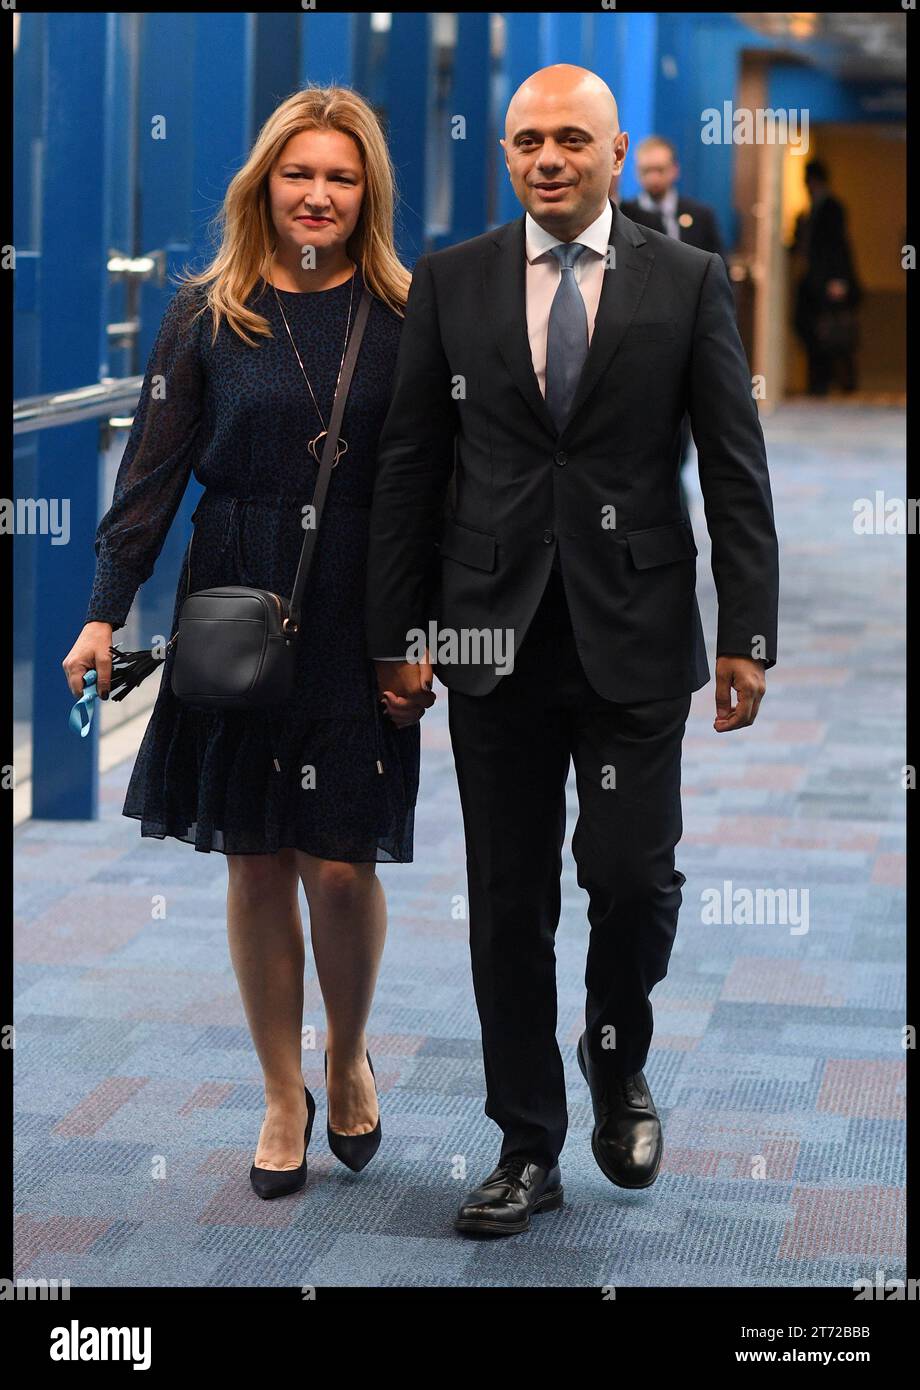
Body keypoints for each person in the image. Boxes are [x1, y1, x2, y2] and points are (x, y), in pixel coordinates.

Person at [366, 65, 779, 1237]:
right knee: (506, 900)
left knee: (631, 877)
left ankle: (616, 1060)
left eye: (568, 141)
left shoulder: (686, 280)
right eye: (524, 141)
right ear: (506, 153)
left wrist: (746, 628)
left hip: (637, 632)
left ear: (616, 150)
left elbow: (733, 467)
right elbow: (408, 468)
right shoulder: (451, 283)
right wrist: (398, 634)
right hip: (487, 633)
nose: (545, 159)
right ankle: (525, 1142)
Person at [62, 86, 428, 1199]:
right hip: (234, 601)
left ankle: (345, 1047)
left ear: (367, 193)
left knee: (342, 859)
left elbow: (432, 489)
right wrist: (103, 607)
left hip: (359, 611)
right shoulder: (204, 313)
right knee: (257, 854)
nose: (316, 194)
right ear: (262, 184)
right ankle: (281, 1088)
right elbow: (152, 475)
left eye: (340, 176)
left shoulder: (409, 313)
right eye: (297, 173)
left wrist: (421, 634)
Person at [619, 134, 728, 517]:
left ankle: (677, 480)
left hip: (692, 333)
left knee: (691, 422)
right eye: (646, 170)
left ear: (675, 171)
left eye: (661, 169)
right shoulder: (624, 216)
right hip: (642, 338)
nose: (654, 177)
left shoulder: (701, 215)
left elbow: (719, 275)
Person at [790, 158, 862, 396]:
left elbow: (838, 246)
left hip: (828, 282)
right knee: (812, 332)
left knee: (835, 336)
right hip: (811, 284)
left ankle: (843, 384)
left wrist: (839, 280)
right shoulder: (807, 212)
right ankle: (818, 385)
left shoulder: (832, 208)